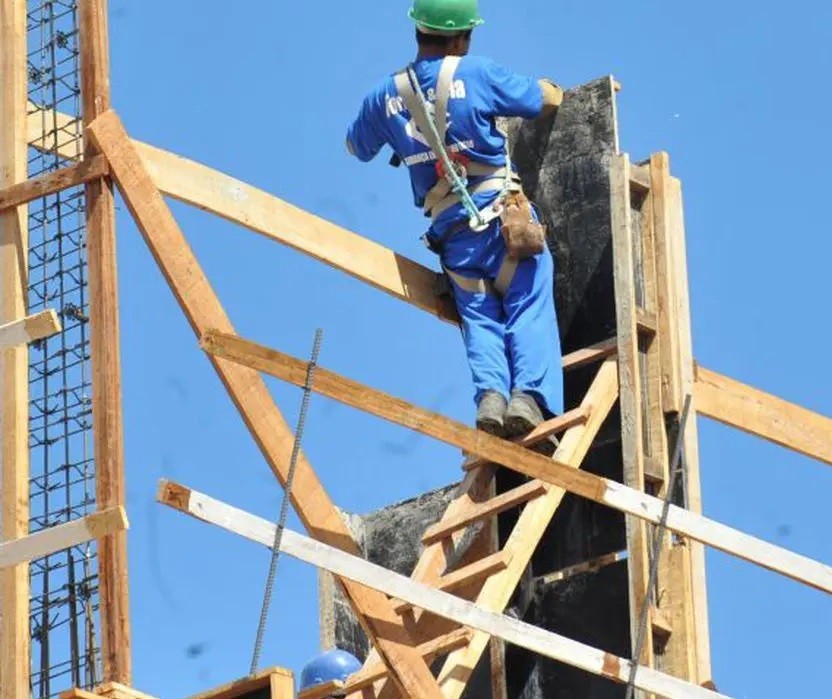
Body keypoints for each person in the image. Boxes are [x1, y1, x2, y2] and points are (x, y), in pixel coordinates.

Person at [346, 0, 565, 443]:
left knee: (480, 315)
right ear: (463, 37)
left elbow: (356, 147)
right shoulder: (479, 73)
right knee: (527, 299)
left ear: (418, 32)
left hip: (453, 237)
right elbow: (543, 99)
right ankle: (529, 399)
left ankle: (490, 398)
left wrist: (402, 134)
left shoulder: (384, 95)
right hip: (503, 219)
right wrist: (550, 87)